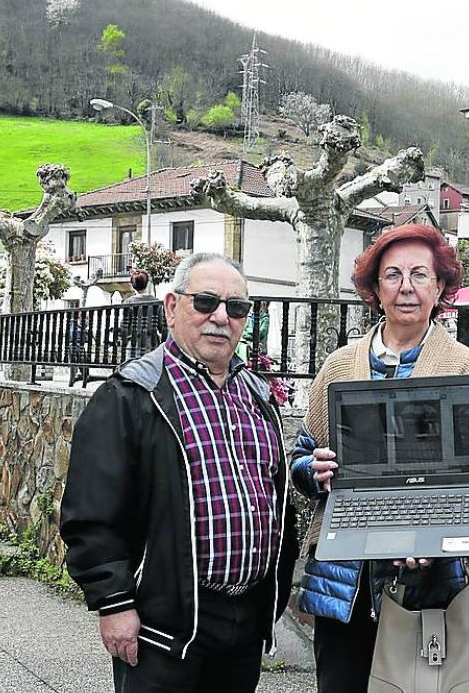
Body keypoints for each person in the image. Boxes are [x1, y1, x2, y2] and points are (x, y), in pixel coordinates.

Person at [60, 252, 297, 693]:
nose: (221, 317)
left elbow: (273, 496)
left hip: (245, 620)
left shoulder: (258, 396)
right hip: (164, 623)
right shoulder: (132, 394)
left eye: (236, 307)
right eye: (205, 302)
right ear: (172, 308)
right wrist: (113, 603)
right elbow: (90, 512)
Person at [289, 224, 469, 693]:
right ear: (375, 289)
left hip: (427, 578)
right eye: (393, 274)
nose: (406, 286)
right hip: (346, 580)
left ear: (440, 287)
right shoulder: (339, 365)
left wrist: (434, 538)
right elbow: (299, 456)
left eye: (421, 274)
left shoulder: (463, 365)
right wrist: (313, 473)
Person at [123, 269, 163, 360]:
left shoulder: (128, 302)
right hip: (152, 347)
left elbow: (124, 327)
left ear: (133, 285)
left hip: (133, 346)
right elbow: (161, 326)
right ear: (147, 283)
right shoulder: (157, 302)